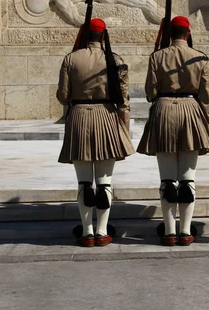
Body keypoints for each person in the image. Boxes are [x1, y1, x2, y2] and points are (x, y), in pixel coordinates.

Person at [137, 16, 209, 246]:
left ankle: (170, 231)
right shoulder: (200, 57)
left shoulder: (157, 56)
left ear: (170, 34)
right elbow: (207, 95)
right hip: (191, 111)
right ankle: (186, 230)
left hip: (163, 111)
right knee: (187, 179)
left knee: (168, 179)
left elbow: (150, 92)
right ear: (188, 33)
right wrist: (207, 123)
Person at [57, 18, 134, 247]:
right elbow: (123, 99)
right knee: (104, 182)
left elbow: (63, 96)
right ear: (104, 36)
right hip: (107, 117)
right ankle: (102, 231)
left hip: (79, 117)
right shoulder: (115, 60)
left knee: (83, 183)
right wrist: (125, 130)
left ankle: (87, 231)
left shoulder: (71, 58)